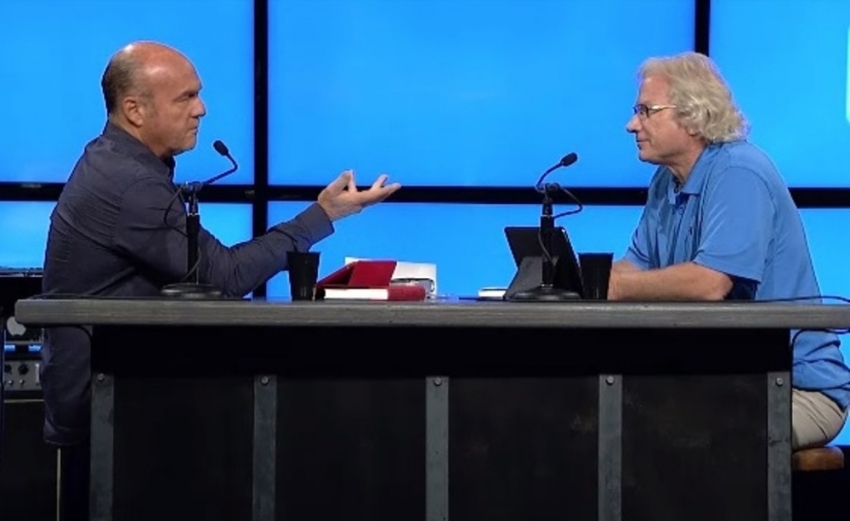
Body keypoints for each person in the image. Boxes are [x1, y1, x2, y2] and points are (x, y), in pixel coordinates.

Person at [40, 40, 400, 520]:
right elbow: (226, 276)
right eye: (185, 98)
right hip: (106, 407)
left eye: (198, 95)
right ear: (134, 110)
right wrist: (322, 215)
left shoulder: (120, 164)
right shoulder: (130, 185)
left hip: (121, 397)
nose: (201, 109)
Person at [608, 51, 850, 451]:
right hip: (723, 382)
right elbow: (634, 270)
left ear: (691, 115)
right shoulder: (665, 183)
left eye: (646, 111)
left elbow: (710, 282)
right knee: (613, 420)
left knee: (682, 437)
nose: (632, 124)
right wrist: (581, 283)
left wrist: (614, 287)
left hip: (797, 388)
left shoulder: (739, 171)